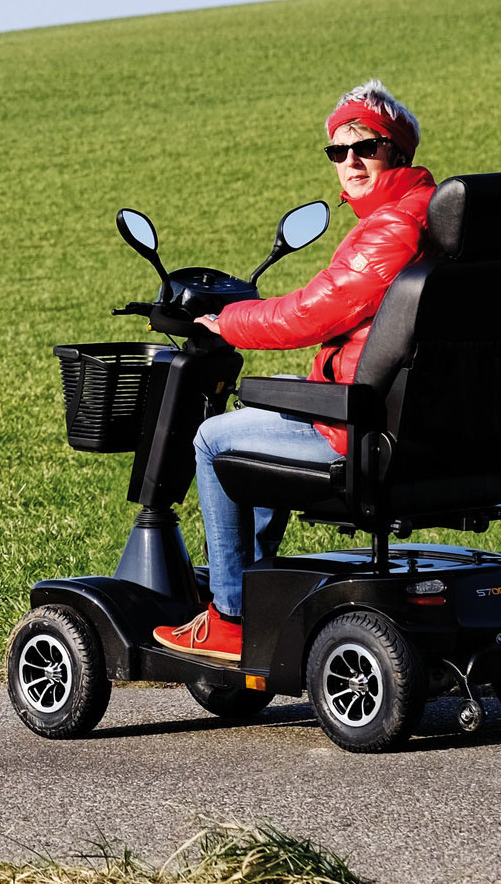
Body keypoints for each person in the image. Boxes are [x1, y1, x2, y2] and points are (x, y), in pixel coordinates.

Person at [152, 80, 436, 662]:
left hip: (363, 435)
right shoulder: (434, 222)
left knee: (212, 438)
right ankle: (260, 589)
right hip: (420, 426)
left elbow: (313, 311)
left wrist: (225, 321)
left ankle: (230, 614)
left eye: (367, 146)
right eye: (338, 151)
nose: (350, 161)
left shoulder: (391, 229)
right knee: (271, 404)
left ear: (398, 152)